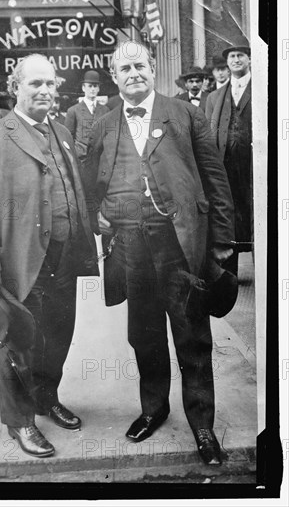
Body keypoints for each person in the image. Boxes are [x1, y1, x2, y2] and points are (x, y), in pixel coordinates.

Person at [83, 41, 234, 465]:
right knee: (144, 332)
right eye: (124, 68)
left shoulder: (186, 114)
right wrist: (98, 214)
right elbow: (90, 181)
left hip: (177, 242)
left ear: (153, 70)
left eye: (140, 66)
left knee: (191, 334)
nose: (133, 73)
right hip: (130, 243)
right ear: (115, 76)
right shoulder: (105, 124)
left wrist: (220, 249)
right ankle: (153, 408)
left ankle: (203, 424)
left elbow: (217, 186)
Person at [0, 54, 98, 458]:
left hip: (64, 258)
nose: (44, 91)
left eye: (50, 84)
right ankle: (21, 422)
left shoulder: (62, 132)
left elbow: (74, 190)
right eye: (35, 83)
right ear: (14, 88)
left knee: (58, 336)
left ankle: (46, 397)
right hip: (18, 262)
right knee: (16, 342)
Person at [206, 42, 252, 275]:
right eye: (232, 56)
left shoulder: (262, 88)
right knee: (228, 216)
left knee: (256, 216)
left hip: (254, 168)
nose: (235, 60)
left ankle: (266, 275)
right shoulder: (215, 97)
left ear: (249, 59)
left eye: (240, 55)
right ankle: (230, 278)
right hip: (225, 168)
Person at [64, 70, 110, 161]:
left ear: (98, 89)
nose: (92, 89)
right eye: (90, 86)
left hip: (100, 159)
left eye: (95, 86)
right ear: (83, 88)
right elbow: (67, 138)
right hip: (81, 160)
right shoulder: (73, 110)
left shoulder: (105, 110)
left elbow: (108, 136)